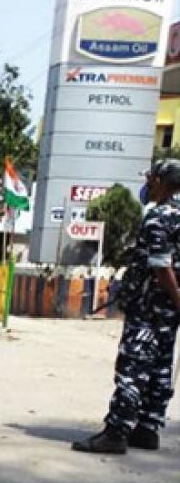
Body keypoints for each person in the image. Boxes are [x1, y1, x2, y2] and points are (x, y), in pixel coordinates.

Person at [74, 159, 180, 455]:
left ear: (160, 181)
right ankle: (147, 428)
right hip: (169, 311)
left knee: (134, 367)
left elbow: (161, 265)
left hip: (149, 306)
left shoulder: (160, 216)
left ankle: (116, 432)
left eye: (150, 178)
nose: (147, 184)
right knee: (161, 366)